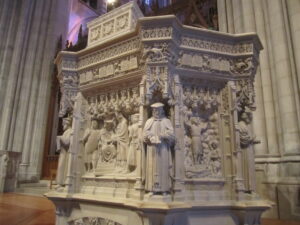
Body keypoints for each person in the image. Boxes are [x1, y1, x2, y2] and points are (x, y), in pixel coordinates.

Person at [143, 102, 175, 194]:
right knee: (151, 167)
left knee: (163, 167)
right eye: (154, 110)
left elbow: (172, 136)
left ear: (162, 111)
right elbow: (144, 134)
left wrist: (164, 135)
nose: (156, 112)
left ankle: (164, 189)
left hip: (163, 148)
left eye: (158, 110)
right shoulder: (149, 121)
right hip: (151, 149)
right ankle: (151, 189)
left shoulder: (166, 121)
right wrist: (148, 137)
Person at [56, 117, 72, 189]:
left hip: (66, 153)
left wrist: (60, 138)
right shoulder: (66, 132)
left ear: (67, 124)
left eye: (63, 124)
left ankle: (62, 183)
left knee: (62, 167)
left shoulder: (70, 131)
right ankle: (59, 182)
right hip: (63, 152)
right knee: (60, 167)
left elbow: (67, 142)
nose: (62, 126)